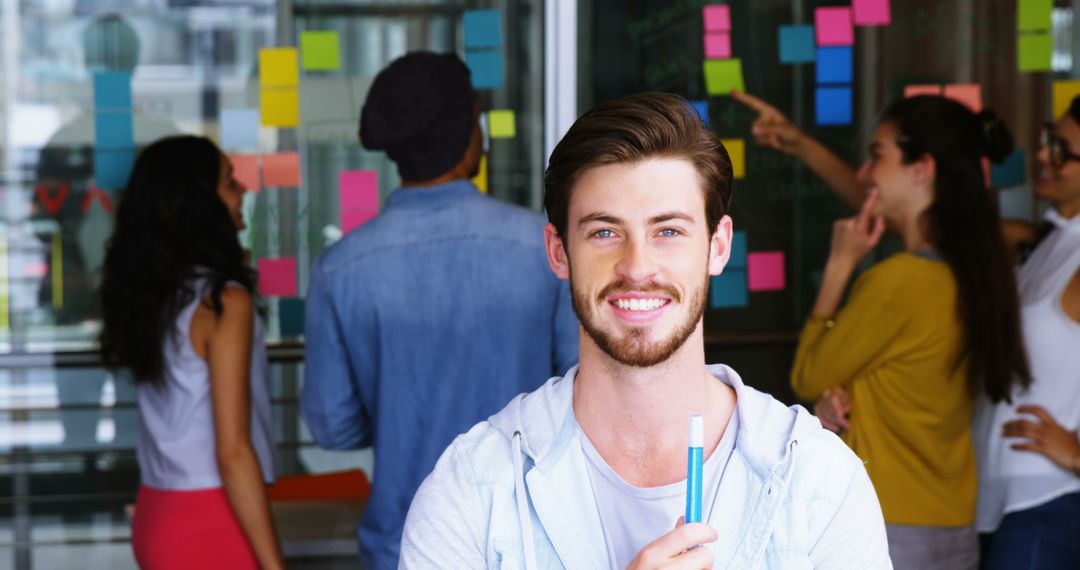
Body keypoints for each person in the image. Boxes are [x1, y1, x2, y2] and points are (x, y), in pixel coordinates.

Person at [399, 92, 891, 569]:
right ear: (558, 252)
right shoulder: (472, 488)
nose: (636, 266)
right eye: (604, 232)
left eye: (669, 231)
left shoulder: (818, 480)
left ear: (718, 247)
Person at [300, 51, 578, 570]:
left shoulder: (341, 268)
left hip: (404, 541)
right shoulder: (544, 248)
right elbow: (582, 386)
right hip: (532, 536)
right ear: (465, 130)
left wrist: (402, 414)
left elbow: (332, 428)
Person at [735, 92, 1032, 570]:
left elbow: (809, 374)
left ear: (922, 169)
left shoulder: (899, 281)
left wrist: (838, 266)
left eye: (877, 155)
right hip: (952, 519)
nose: (864, 173)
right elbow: (866, 200)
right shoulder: (972, 269)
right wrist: (800, 145)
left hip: (892, 521)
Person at [98, 136, 283, 570]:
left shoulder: (158, 295)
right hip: (213, 519)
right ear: (196, 201)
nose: (243, 191)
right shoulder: (223, 302)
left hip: (155, 512)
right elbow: (233, 451)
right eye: (228, 181)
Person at [972, 94, 1080, 569]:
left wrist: (1078, 456)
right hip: (997, 499)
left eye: (1061, 149)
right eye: (1046, 139)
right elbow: (916, 220)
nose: (1042, 155)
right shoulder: (1048, 238)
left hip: (1047, 501)